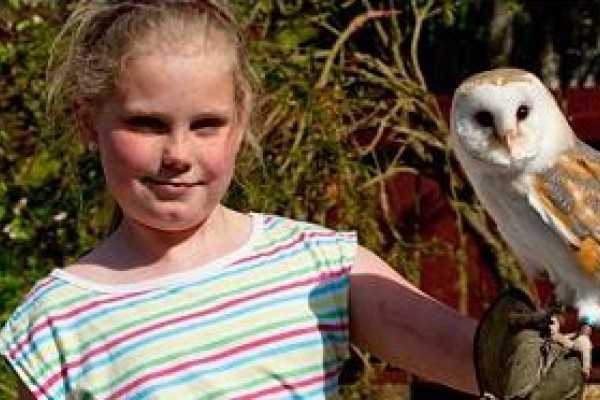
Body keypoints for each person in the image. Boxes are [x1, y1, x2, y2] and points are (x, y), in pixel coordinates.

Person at [0, 1, 478, 398]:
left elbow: (481, 360)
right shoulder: (55, 324)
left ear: (243, 120)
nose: (178, 155)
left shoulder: (320, 265)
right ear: (88, 122)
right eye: (147, 124)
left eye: (206, 124)